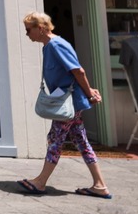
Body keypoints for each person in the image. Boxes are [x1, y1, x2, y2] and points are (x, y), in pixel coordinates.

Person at [18, 10, 112, 199]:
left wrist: (89, 93)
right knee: (81, 141)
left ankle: (40, 182)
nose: (27, 34)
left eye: (29, 30)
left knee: (55, 140)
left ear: (41, 28)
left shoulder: (56, 45)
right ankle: (100, 185)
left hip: (69, 103)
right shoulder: (48, 46)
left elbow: (78, 71)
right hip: (69, 103)